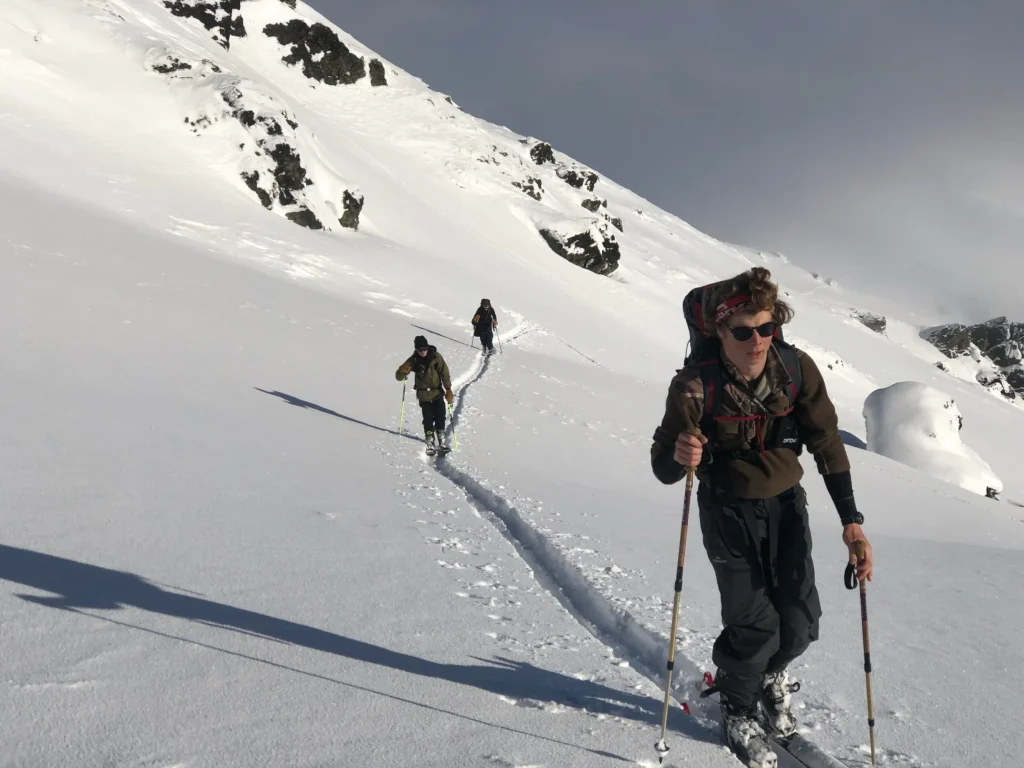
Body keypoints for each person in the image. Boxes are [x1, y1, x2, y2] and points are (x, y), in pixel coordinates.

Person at [650, 267, 873, 768]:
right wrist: (680, 453)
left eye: (767, 328)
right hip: (727, 509)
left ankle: (769, 675)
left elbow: (826, 442)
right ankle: (736, 705)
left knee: (799, 623)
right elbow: (662, 464)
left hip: (787, 507)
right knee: (755, 624)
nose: (757, 341)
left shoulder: (796, 371)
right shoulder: (693, 387)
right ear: (720, 332)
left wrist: (851, 520)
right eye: (744, 331)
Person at [396, 335, 454, 452]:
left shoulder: (436, 357)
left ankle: (441, 439)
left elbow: (445, 373)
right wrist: (402, 371)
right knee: (427, 418)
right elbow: (398, 377)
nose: (423, 352)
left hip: (437, 392)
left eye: (424, 349)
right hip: (423, 394)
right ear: (416, 350)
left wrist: (448, 389)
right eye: (420, 350)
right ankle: (430, 440)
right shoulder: (414, 360)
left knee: (440, 416)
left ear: (427, 347)